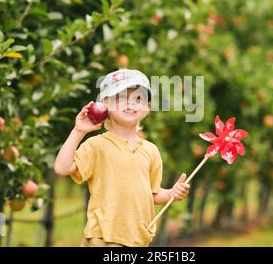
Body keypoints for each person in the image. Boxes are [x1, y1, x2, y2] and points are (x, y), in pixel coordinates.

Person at [54, 68, 190, 247]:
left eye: (138, 98)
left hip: (136, 240)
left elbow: (151, 194)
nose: (131, 103)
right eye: (121, 97)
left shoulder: (151, 151)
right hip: (102, 238)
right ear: (104, 106)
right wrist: (78, 131)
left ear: (147, 108)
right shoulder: (97, 145)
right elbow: (62, 168)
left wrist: (171, 193)